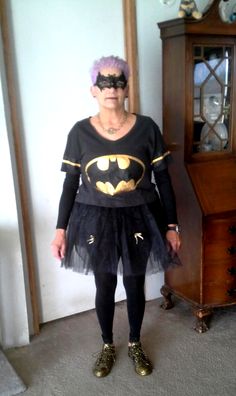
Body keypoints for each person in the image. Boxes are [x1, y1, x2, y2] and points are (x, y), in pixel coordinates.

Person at [51, 55, 181, 378]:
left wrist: (172, 225)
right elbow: (70, 184)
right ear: (93, 90)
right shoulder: (79, 133)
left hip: (139, 216)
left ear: (126, 88)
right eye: (104, 82)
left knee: (135, 284)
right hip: (95, 219)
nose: (111, 88)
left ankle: (135, 342)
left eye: (118, 81)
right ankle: (108, 344)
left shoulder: (147, 128)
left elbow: (163, 180)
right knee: (104, 284)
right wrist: (60, 230)